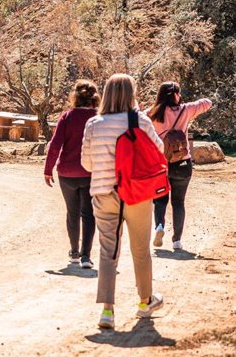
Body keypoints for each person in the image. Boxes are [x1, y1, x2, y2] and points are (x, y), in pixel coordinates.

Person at [81, 74, 165, 329]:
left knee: (108, 251)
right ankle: (145, 301)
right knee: (140, 249)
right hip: (137, 193)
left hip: (104, 194)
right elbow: (158, 149)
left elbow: (86, 163)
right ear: (131, 94)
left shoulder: (93, 124)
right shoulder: (139, 120)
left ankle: (107, 311)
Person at [147, 82, 212, 251]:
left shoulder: (152, 113)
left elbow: (137, 119)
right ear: (175, 94)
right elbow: (207, 102)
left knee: (160, 200)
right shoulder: (186, 109)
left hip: (161, 164)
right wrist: (190, 106)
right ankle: (177, 241)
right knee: (179, 202)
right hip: (182, 163)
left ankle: (159, 226)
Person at [44, 80, 100, 268]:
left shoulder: (67, 116)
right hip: (90, 172)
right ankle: (86, 256)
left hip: (67, 173)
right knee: (89, 213)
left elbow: (55, 144)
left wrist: (48, 169)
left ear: (75, 96)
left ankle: (74, 252)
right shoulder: (99, 118)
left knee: (72, 212)